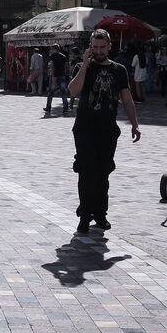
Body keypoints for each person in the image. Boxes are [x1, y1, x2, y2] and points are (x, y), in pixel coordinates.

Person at [68, 29, 140, 234]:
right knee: (85, 171)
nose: (99, 51)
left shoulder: (119, 70)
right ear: (90, 47)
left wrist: (134, 123)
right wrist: (84, 66)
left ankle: (100, 213)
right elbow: (73, 91)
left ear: (109, 46)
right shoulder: (83, 67)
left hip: (108, 129)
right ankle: (84, 216)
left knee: (103, 172)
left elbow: (127, 99)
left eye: (102, 47)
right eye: (95, 47)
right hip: (84, 128)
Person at [44, 44, 70, 114]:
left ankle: (48, 107)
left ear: (53, 49)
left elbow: (52, 66)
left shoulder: (52, 56)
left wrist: (53, 76)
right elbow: (66, 67)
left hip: (54, 75)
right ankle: (65, 108)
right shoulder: (63, 56)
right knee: (63, 93)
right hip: (62, 75)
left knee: (51, 92)